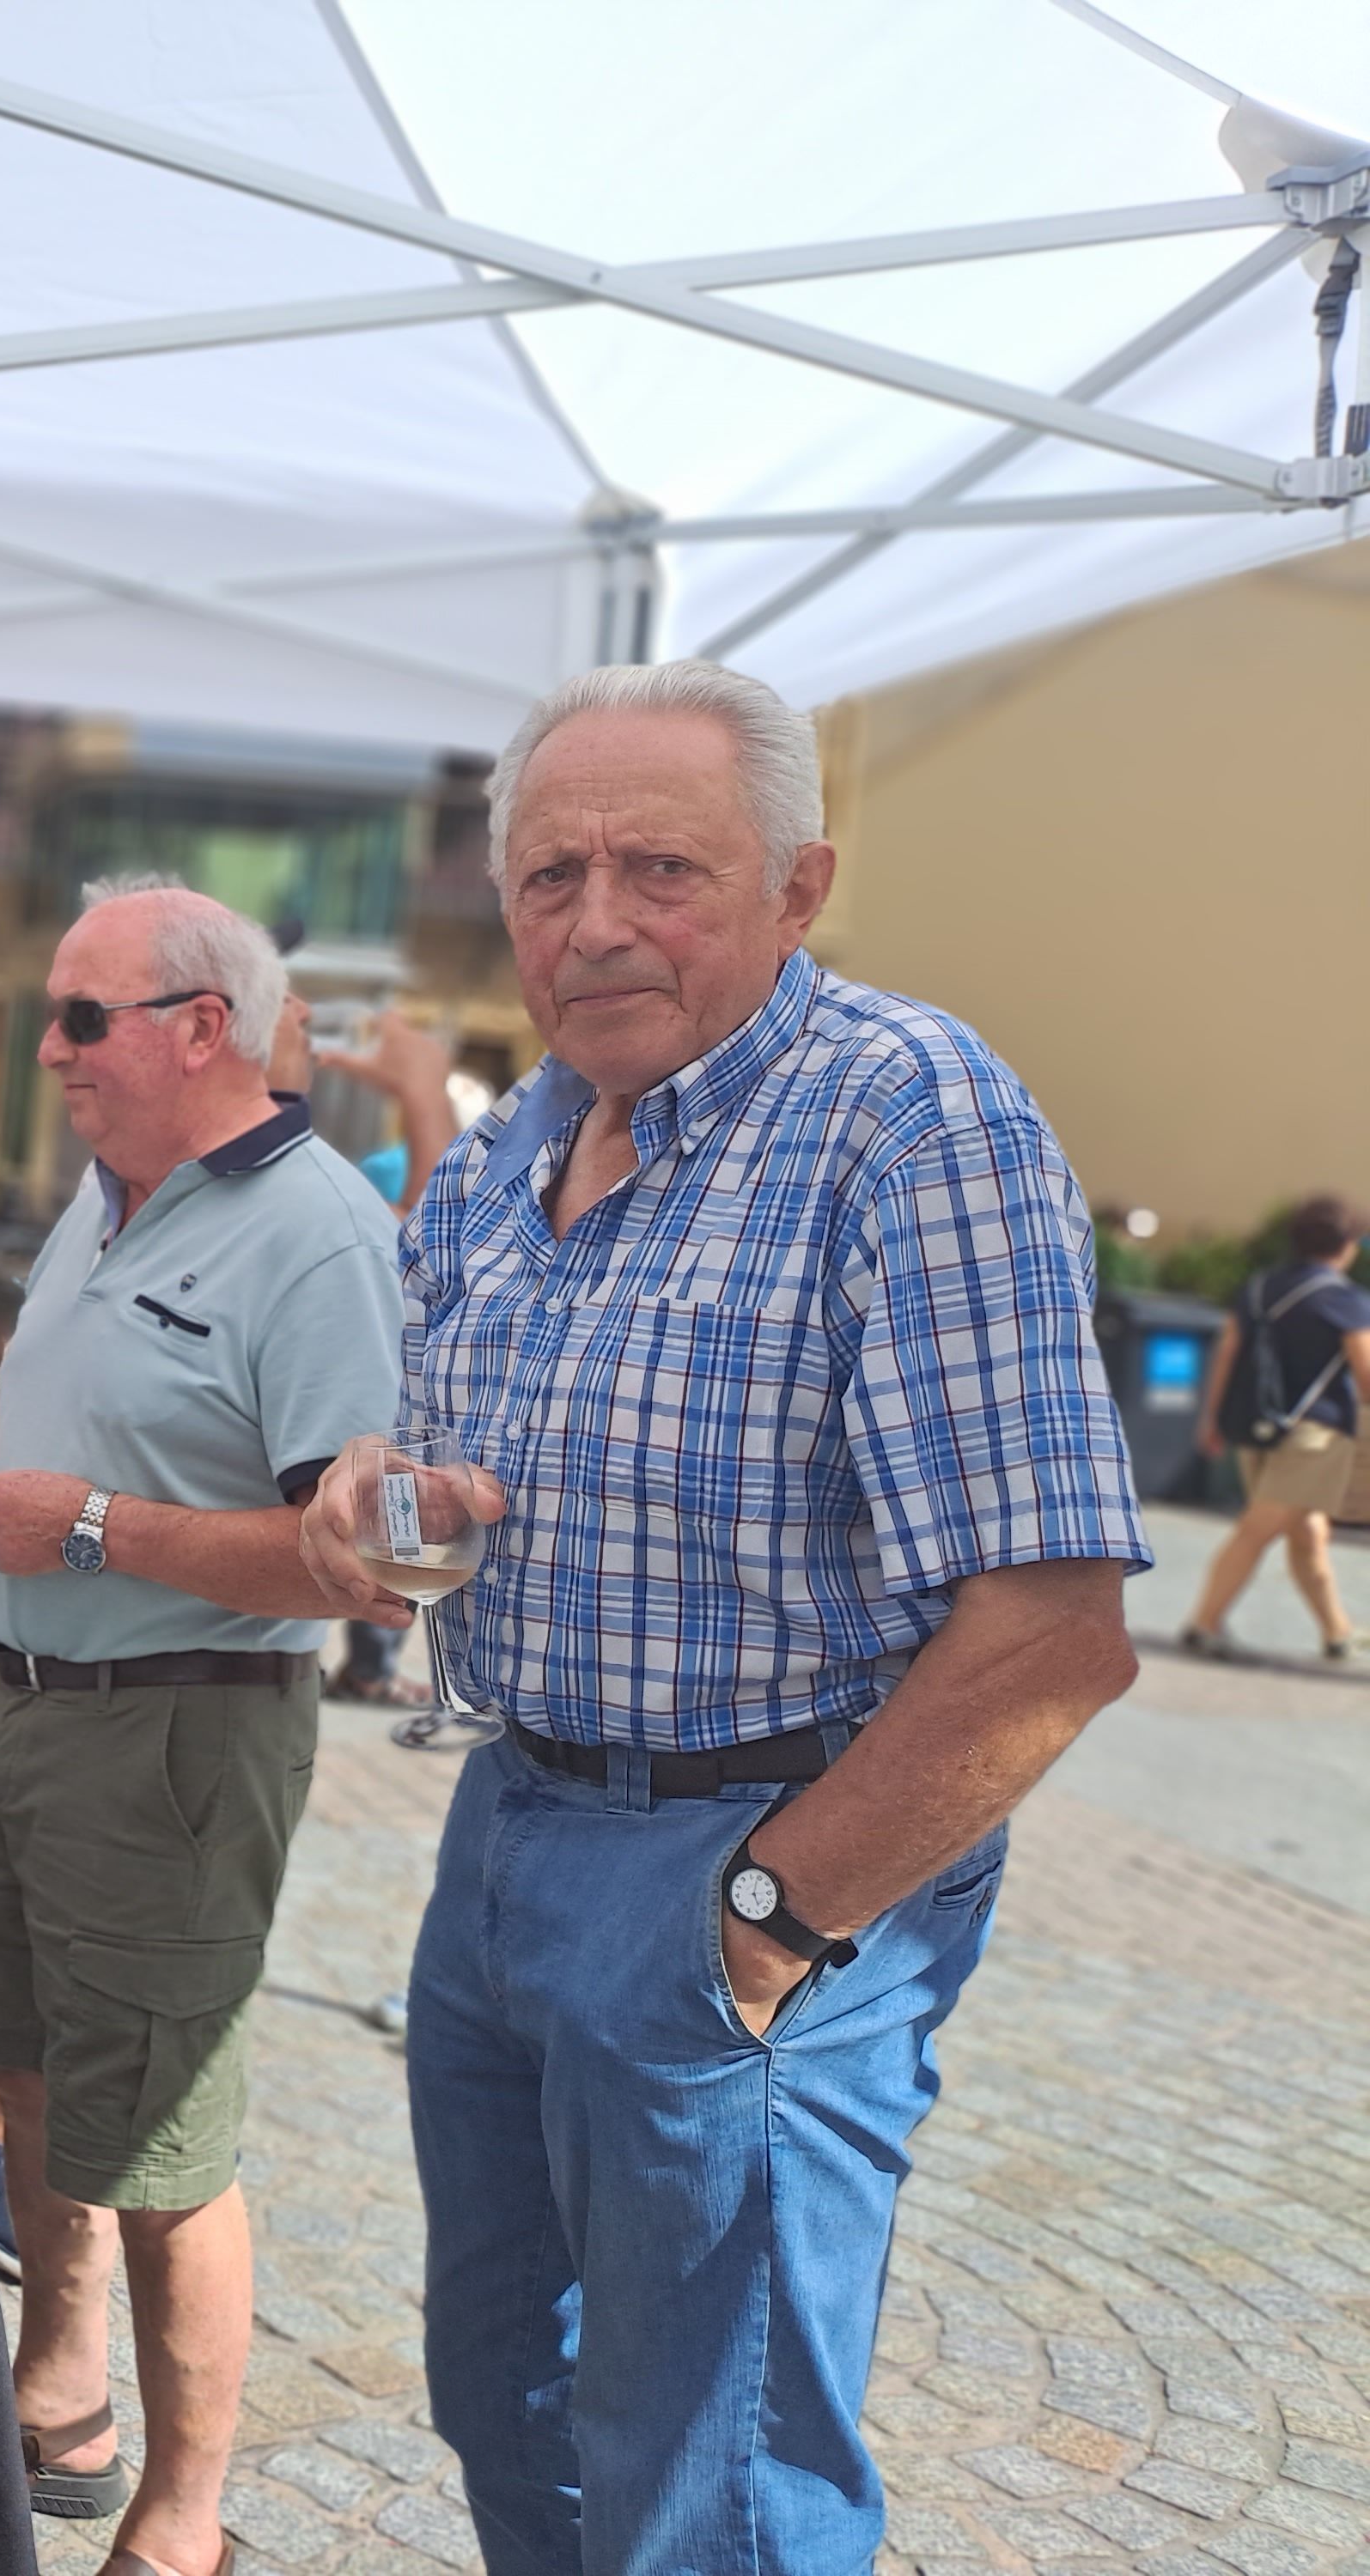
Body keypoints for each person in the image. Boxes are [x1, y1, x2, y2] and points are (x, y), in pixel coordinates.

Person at [300, 659, 1145, 2576]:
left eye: (658, 868)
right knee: (512, 2400)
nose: (592, 920)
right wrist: (377, 1485)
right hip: (508, 1830)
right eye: (546, 876)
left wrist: (765, 1923)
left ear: (795, 882)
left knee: (714, 2488)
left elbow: (1050, 1631)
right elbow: (456, 1456)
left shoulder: (905, 1118)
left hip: (748, 1854)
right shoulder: (508, 1147)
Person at [0, 879, 403, 2576]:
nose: (44, 1053)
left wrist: (93, 1528)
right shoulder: (108, 1197)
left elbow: (361, 1570)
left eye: (78, 1018)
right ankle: (60, 2380)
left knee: (168, 2142)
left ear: (200, 1028)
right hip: (25, 1697)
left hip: (179, 1732)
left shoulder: (317, 1233)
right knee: (21, 2063)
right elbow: (67, 1427)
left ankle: (183, 2528)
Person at [270, 995, 464, 1713]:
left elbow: (427, 1238)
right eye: (281, 1009)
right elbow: (438, 1240)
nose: (303, 1015)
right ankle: (374, 1666)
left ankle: (372, 1665)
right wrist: (421, 1090)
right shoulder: (281, 1192)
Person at [1184, 1193, 1370, 1661]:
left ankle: (1337, 1632)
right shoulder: (1346, 1300)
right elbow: (1366, 1374)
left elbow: (1228, 1351)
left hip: (1255, 1427)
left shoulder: (1259, 1286)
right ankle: (1204, 1624)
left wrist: (1213, 1418)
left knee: (1307, 1533)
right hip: (1315, 1435)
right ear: (1347, 1244)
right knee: (1259, 1528)